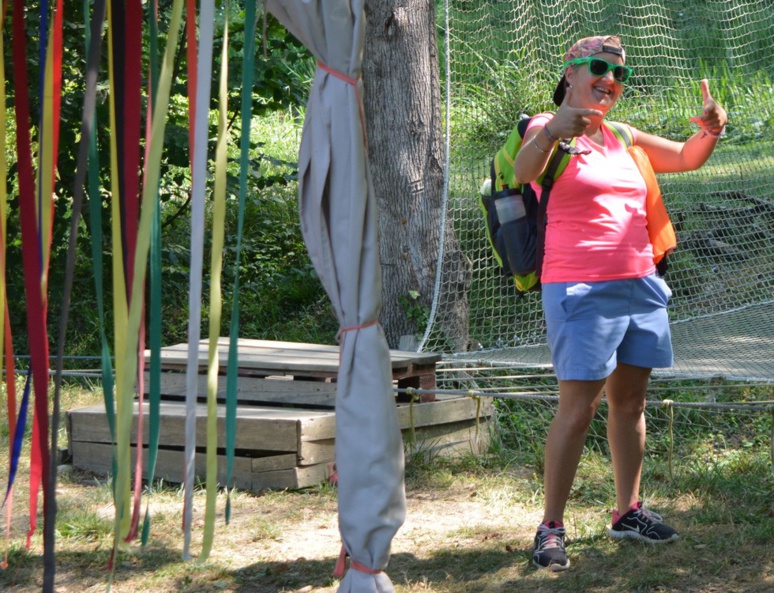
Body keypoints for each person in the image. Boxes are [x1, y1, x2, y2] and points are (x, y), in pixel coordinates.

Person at [512, 35, 727, 572]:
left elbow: (685, 157)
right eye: (599, 67)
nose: (609, 78)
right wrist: (557, 130)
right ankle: (551, 526)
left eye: (618, 73)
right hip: (580, 290)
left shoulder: (622, 135)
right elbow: (523, 172)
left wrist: (710, 129)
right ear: (572, 71)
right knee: (578, 408)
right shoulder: (548, 126)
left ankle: (626, 510)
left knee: (630, 403)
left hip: (640, 285)